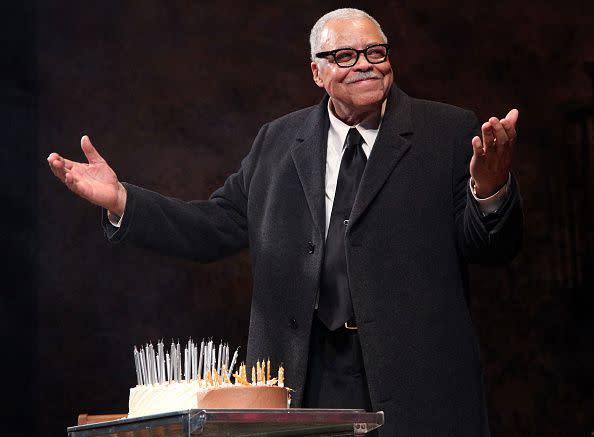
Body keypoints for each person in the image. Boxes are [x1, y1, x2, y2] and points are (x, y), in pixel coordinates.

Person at [48, 8, 522, 436]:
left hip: (414, 377)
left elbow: (490, 248)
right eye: (344, 55)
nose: (364, 63)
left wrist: (490, 188)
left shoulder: (449, 131)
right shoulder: (278, 140)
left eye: (375, 51)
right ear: (316, 72)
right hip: (303, 373)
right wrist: (122, 200)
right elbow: (217, 225)